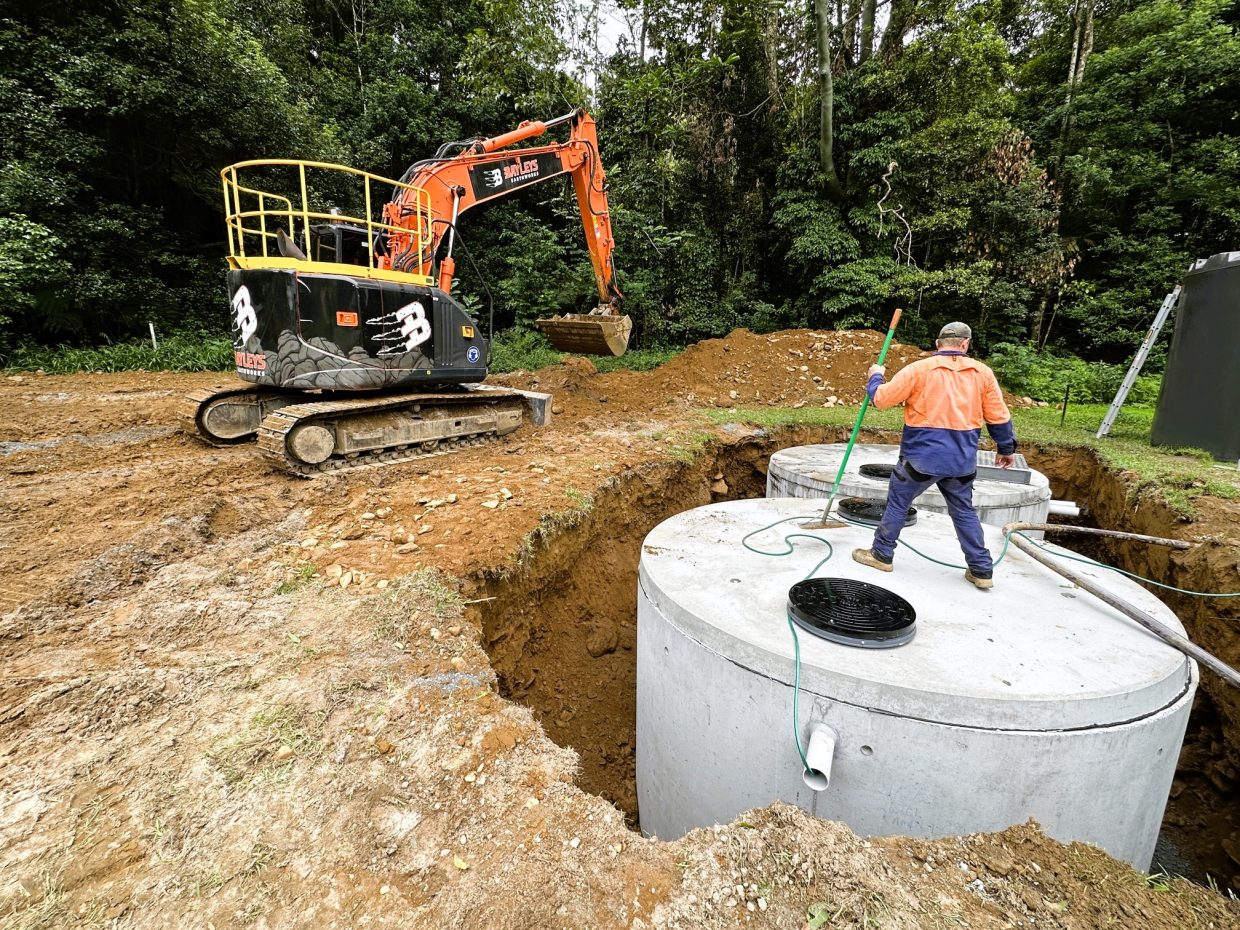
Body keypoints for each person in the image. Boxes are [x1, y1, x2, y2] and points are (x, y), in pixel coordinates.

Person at [851, 321, 1017, 590]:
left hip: (920, 459)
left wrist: (875, 375)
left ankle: (881, 554)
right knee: (964, 512)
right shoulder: (982, 373)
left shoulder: (918, 370)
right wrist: (1006, 449)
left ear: (937, 344)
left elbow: (881, 399)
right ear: (965, 344)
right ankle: (982, 570)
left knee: (898, 503)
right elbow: (998, 416)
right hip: (961, 461)